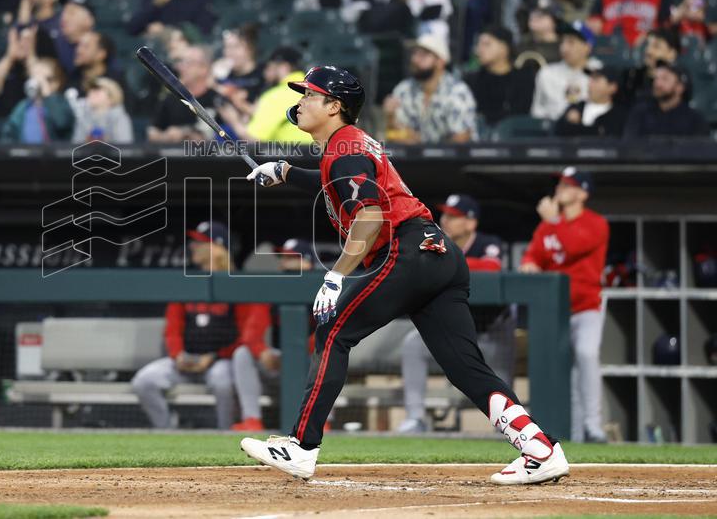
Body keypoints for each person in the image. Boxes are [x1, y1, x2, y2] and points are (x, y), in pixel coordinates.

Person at [242, 66, 569, 484]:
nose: (301, 101)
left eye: (310, 94)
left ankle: (301, 447)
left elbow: (371, 216)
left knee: (334, 331)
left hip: (406, 250)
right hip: (438, 253)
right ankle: (539, 448)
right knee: (465, 366)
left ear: (334, 106)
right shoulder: (346, 147)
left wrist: (336, 275)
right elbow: (336, 184)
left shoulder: (346, 148)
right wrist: (285, 171)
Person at [131, 221, 270, 430]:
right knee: (144, 381)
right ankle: (166, 433)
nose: (193, 246)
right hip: (185, 360)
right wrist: (178, 355)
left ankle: (225, 434)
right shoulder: (188, 282)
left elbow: (245, 338)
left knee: (222, 383)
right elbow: (172, 329)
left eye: (201, 242)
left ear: (218, 248)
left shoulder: (240, 285)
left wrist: (213, 356)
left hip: (222, 360)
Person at [397, 194, 515, 433]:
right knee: (412, 344)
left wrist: (446, 262)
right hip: (451, 330)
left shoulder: (487, 243)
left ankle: (510, 425)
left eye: (455, 216)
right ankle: (415, 417)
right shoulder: (432, 240)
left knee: (500, 378)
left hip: (491, 330)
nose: (446, 220)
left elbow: (491, 268)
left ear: (471, 223)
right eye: (446, 214)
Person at [521, 168, 608, 443]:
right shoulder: (547, 226)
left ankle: (593, 426)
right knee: (562, 370)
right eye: (560, 183)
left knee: (586, 355)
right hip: (555, 312)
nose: (560, 188)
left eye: (569, 185)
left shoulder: (595, 223)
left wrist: (554, 221)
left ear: (583, 193)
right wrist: (530, 265)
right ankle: (573, 432)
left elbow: (572, 246)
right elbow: (531, 257)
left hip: (587, 307)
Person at [232, 238, 318, 432]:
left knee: (327, 355)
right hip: (276, 360)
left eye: (290, 258)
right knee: (242, 354)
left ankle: (322, 421)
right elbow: (251, 333)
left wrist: (294, 354)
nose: (283, 263)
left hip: (306, 361)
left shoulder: (322, 290)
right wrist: (262, 352)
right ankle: (251, 419)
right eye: (283, 258)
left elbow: (328, 333)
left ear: (307, 262)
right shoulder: (274, 287)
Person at [383, 34, 477, 143]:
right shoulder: (404, 89)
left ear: (440, 61)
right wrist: (391, 119)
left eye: (423, 55)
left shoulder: (458, 92)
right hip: (412, 159)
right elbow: (392, 136)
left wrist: (418, 141)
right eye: (414, 53)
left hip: (456, 159)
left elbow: (461, 138)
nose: (414, 59)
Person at [147, 45, 224, 142]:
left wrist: (190, 135)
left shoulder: (217, 99)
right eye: (181, 62)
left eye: (188, 63)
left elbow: (231, 137)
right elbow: (152, 133)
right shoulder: (171, 99)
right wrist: (167, 137)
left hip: (209, 155)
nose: (181, 67)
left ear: (204, 69)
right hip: (175, 155)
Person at [465, 26, 535, 127]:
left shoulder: (524, 79)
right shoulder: (471, 80)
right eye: (478, 44)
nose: (478, 50)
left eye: (486, 44)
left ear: (504, 48)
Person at [623, 62, 709, 139]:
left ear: (680, 87)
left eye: (665, 79)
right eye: (656, 78)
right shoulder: (640, 113)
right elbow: (629, 147)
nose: (657, 83)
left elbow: (699, 152)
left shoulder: (695, 119)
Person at [531, 21, 595, 121]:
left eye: (571, 42)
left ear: (587, 47)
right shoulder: (547, 73)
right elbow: (537, 111)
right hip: (552, 131)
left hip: (589, 133)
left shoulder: (599, 73)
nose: (564, 48)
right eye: (562, 42)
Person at [1, 57, 74, 143]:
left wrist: (48, 94)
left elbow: (62, 122)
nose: (39, 81)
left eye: (46, 79)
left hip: (52, 154)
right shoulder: (24, 106)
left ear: (56, 83)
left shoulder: (61, 103)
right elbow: (9, 132)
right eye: (34, 77)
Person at [555, 66, 627, 138]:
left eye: (596, 80)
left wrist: (574, 126)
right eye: (590, 80)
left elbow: (607, 136)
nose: (589, 85)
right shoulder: (576, 107)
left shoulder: (620, 115)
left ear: (612, 87)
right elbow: (557, 131)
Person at [617, 28, 679, 109]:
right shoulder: (630, 77)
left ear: (672, 53)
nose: (648, 51)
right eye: (646, 45)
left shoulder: (678, 82)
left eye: (656, 46)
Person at [71, 77, 134, 143]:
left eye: (97, 90)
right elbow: (76, 145)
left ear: (111, 97)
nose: (91, 92)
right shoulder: (83, 116)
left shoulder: (119, 117)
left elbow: (125, 148)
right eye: (90, 90)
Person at [69, 31, 123, 96]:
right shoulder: (71, 77)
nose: (78, 50)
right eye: (78, 45)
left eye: (86, 46)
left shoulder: (116, 81)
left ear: (101, 54)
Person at [516, 2, 562, 69]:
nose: (534, 17)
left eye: (541, 15)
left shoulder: (564, 46)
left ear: (554, 21)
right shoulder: (522, 44)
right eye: (532, 14)